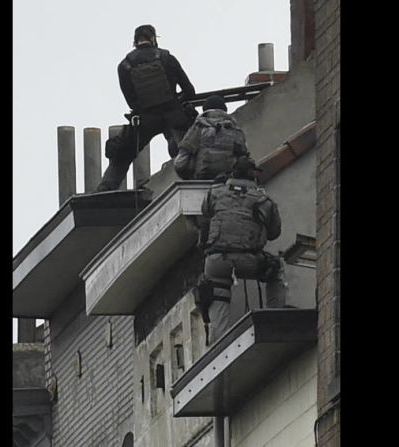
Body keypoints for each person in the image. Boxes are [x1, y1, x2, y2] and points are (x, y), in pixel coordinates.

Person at [196, 156, 289, 343]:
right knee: (276, 268)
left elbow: (205, 214)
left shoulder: (215, 193)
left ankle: (217, 342)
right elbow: (274, 233)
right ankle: (275, 320)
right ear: (253, 174)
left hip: (216, 261)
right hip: (248, 261)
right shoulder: (264, 200)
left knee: (218, 293)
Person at [95, 24, 197, 192]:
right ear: (154, 38)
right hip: (174, 116)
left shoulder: (124, 65)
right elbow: (190, 91)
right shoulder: (167, 58)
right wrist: (174, 100)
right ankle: (194, 183)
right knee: (186, 148)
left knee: (122, 155)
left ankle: (104, 191)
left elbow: (131, 102)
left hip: (145, 120)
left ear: (135, 42)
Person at [174, 95, 248, 180]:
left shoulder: (199, 127)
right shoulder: (238, 132)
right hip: (228, 182)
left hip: (202, 180)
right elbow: (243, 160)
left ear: (205, 110)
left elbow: (180, 163)